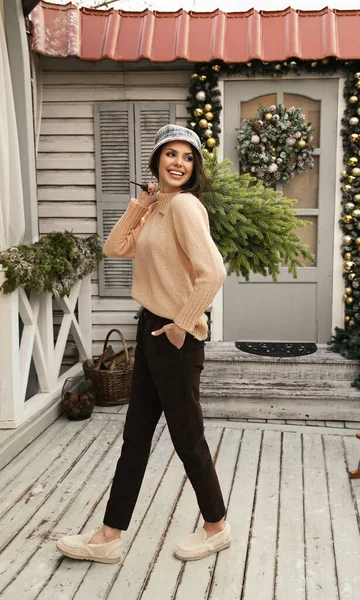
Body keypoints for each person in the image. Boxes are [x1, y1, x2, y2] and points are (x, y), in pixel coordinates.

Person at [56, 124, 231, 564]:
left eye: (187, 157)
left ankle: (216, 527)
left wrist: (181, 324)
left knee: (187, 437)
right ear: (156, 162)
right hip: (151, 330)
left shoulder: (187, 207)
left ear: (195, 168)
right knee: (135, 435)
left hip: (175, 337)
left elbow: (213, 273)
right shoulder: (160, 208)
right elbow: (115, 248)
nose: (178, 163)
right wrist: (142, 205)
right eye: (170, 154)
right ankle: (109, 535)